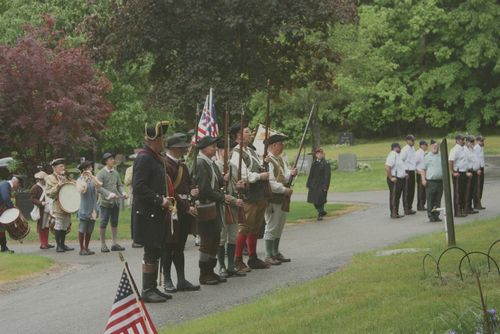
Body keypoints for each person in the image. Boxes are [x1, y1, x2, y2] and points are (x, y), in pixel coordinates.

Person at [132, 121, 173, 303]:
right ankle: (147, 289)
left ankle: (153, 287)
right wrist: (159, 199)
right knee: (150, 251)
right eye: (162, 137)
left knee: (155, 249)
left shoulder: (155, 156)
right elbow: (138, 187)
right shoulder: (144, 158)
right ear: (154, 139)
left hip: (156, 212)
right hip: (148, 213)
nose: (164, 140)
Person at [230, 122, 271, 271]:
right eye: (246, 132)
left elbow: (257, 166)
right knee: (244, 228)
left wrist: (263, 164)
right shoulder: (236, 153)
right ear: (238, 136)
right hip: (248, 194)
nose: (249, 134)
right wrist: (260, 176)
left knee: (255, 227)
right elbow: (243, 174)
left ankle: (253, 257)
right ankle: (238, 259)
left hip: (258, 193)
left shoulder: (250, 151)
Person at [162, 133, 200, 293]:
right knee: (168, 246)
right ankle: (167, 280)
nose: (185, 149)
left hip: (184, 209)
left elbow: (188, 183)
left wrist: (193, 190)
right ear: (175, 148)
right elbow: (170, 191)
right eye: (182, 147)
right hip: (173, 211)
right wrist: (186, 207)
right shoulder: (165, 164)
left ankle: (181, 280)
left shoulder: (182, 165)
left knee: (180, 246)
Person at [195, 136, 233, 285]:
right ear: (204, 148)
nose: (215, 148)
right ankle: (204, 273)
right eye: (212, 146)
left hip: (214, 206)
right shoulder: (201, 163)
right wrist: (222, 197)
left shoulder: (210, 163)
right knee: (207, 242)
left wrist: (223, 180)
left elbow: (216, 182)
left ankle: (211, 271)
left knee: (215, 239)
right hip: (206, 206)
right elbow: (204, 189)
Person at [214, 138, 246, 278]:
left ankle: (231, 266)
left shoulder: (233, 166)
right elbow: (217, 191)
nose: (230, 152)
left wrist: (240, 187)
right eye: (227, 150)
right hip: (222, 206)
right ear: (220, 151)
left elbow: (236, 187)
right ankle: (221, 266)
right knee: (221, 237)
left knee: (233, 237)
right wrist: (234, 200)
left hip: (233, 207)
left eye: (231, 150)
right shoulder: (216, 166)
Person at [263, 134, 297, 265]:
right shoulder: (268, 161)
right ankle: (268, 255)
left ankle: (275, 252)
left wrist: (291, 174)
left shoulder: (279, 159)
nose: (282, 146)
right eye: (280, 144)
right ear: (273, 146)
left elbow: (284, 176)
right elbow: (270, 183)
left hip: (282, 197)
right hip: (274, 197)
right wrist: (284, 190)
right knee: (272, 226)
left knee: (279, 226)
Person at [96, 152, 128, 252]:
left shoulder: (116, 173)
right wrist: (108, 194)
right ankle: (103, 244)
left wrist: (123, 192)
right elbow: (98, 188)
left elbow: (119, 185)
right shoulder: (101, 173)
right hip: (105, 203)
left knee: (114, 222)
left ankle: (114, 243)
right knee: (103, 222)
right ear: (106, 161)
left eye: (113, 159)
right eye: (111, 159)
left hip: (116, 203)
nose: (113, 160)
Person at [45, 159, 74, 253]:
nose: (63, 168)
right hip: (57, 204)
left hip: (67, 204)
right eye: (61, 166)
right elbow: (49, 193)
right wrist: (58, 185)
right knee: (59, 225)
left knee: (65, 225)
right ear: (54, 168)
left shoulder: (65, 177)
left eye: (63, 166)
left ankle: (63, 244)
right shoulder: (50, 178)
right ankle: (59, 246)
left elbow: (73, 184)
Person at [76, 161, 102, 255]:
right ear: (84, 169)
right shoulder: (79, 180)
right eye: (89, 168)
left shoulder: (92, 179)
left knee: (90, 229)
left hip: (93, 208)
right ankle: (81, 248)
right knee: (82, 229)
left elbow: (99, 185)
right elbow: (82, 190)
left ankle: (87, 247)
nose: (91, 169)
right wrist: (85, 180)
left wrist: (92, 177)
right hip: (84, 208)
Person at [30, 171, 54, 249]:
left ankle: (46, 243)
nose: (44, 180)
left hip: (48, 209)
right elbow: (33, 199)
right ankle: (43, 243)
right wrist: (40, 203)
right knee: (41, 226)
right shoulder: (35, 187)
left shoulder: (46, 186)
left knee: (46, 226)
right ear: (39, 179)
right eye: (42, 179)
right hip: (41, 209)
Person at [421, 140, 443, 222]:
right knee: (430, 200)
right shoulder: (427, 157)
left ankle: (436, 215)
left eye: (436, 146)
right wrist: (423, 179)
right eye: (433, 146)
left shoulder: (441, 156)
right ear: (430, 146)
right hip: (430, 182)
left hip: (440, 181)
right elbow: (423, 169)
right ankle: (431, 216)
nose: (435, 147)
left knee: (438, 200)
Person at [306, 147, 331, 221]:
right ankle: (322, 211)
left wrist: (326, 186)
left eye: (320, 153)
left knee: (320, 200)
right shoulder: (314, 163)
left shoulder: (326, 164)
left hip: (321, 185)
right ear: (316, 155)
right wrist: (308, 183)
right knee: (314, 200)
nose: (319, 155)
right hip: (313, 184)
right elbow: (311, 174)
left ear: (323, 154)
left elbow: (327, 176)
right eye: (317, 153)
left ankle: (320, 214)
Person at [0, 175, 23, 253]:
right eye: (19, 185)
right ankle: (3, 248)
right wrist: (12, 209)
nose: (18, 187)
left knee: (1, 229)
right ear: (15, 182)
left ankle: (3, 248)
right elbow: (6, 198)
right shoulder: (5, 185)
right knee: (1, 229)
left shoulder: (5, 185)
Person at [124, 153, 142, 248]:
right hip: (134, 196)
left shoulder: (143, 168)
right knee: (135, 218)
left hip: (142, 196)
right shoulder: (130, 169)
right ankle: (135, 239)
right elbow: (126, 182)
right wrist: (133, 173)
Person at [385, 143, 407, 219]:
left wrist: (404, 174)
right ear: (395, 148)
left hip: (400, 178)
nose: (400, 149)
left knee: (397, 196)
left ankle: (396, 212)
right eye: (399, 147)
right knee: (394, 196)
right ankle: (393, 213)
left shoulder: (397, 155)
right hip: (395, 179)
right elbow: (387, 167)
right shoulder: (393, 154)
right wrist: (391, 177)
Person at [448, 134, 468, 217]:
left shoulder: (463, 149)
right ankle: (457, 211)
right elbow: (450, 161)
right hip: (458, 172)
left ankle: (462, 209)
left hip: (463, 172)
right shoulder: (454, 149)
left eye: (463, 139)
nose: (463, 141)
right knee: (458, 192)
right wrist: (453, 172)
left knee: (463, 192)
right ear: (457, 140)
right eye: (461, 139)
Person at [400, 134, 417, 215]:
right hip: (407, 171)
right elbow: (401, 161)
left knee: (412, 190)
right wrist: (404, 171)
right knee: (407, 190)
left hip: (412, 170)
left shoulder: (413, 148)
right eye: (412, 140)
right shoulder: (405, 149)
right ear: (407, 141)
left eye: (414, 140)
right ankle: (406, 208)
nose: (413, 142)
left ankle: (410, 207)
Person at [464, 136, 480, 215]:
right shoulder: (465, 150)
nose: (472, 143)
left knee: (472, 190)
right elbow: (465, 162)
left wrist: (477, 169)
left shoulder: (472, 150)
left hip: (474, 171)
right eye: (470, 141)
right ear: (467, 142)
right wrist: (467, 172)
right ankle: (467, 208)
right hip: (469, 171)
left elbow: (475, 160)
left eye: (473, 141)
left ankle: (470, 207)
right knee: (468, 191)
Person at [415, 140, 428, 211]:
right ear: (421, 145)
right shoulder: (418, 153)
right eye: (425, 145)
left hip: (425, 173)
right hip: (420, 173)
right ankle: (420, 205)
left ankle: (422, 204)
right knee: (421, 190)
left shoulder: (425, 153)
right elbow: (414, 163)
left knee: (424, 190)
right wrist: (417, 171)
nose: (427, 146)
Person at [474, 136, 486, 210]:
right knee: (478, 187)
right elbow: (475, 159)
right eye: (481, 141)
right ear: (477, 141)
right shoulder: (476, 148)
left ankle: (479, 202)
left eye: (483, 141)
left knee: (480, 186)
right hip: (478, 169)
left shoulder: (481, 148)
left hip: (481, 168)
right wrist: (477, 169)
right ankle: (477, 204)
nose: (483, 142)